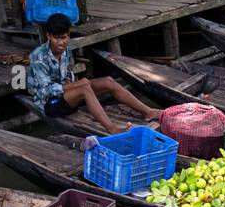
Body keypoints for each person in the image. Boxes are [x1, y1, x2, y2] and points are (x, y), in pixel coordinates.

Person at [28, 13, 162, 132]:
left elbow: (67, 72)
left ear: (68, 34)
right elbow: (45, 91)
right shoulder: (39, 57)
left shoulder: (66, 49)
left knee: (108, 81)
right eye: (56, 38)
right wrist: (74, 86)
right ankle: (112, 129)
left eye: (64, 37)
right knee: (84, 88)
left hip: (66, 96)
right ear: (48, 36)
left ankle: (148, 111)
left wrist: (70, 81)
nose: (61, 43)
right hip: (48, 104)